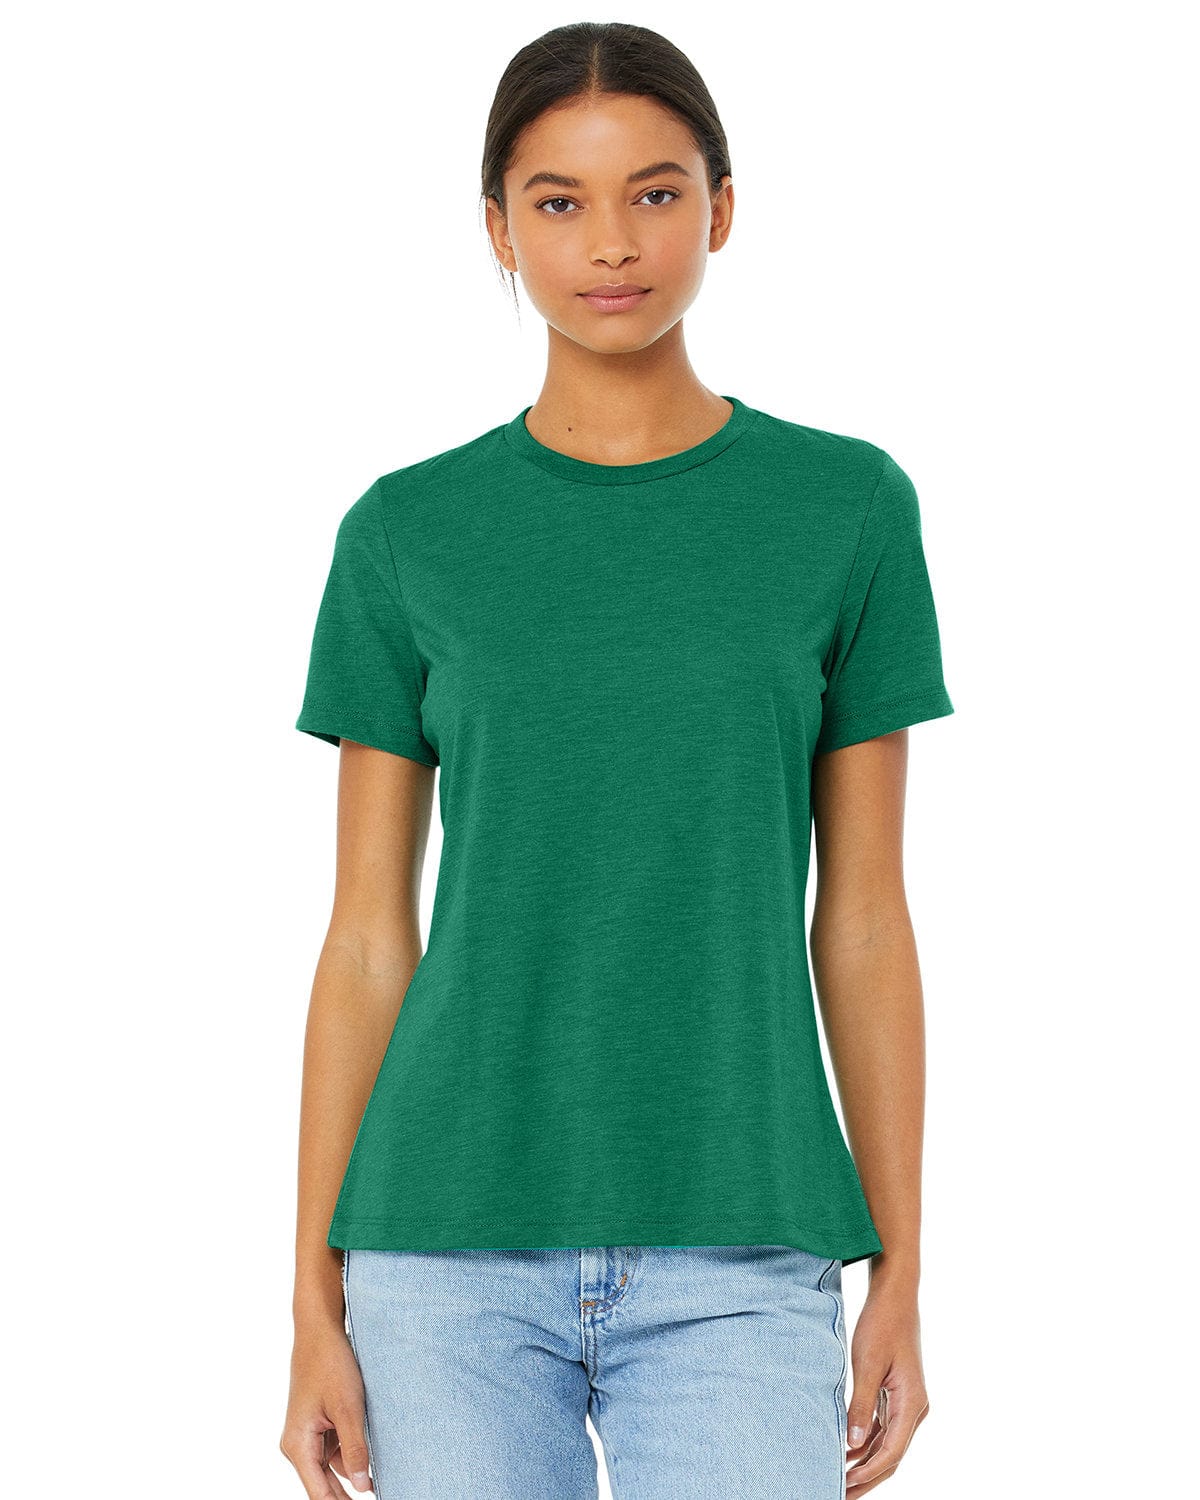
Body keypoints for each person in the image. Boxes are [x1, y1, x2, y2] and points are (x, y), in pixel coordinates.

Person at [280, 20, 953, 1500]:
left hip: (746, 1238)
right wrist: (310, 1298)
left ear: (723, 207)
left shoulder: (845, 509)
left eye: (655, 193)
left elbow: (863, 916)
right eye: (558, 200)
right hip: (443, 1249)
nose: (610, 244)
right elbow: (368, 936)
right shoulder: (405, 531)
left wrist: (903, 1263)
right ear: (497, 228)